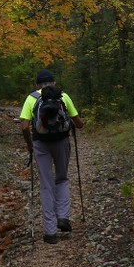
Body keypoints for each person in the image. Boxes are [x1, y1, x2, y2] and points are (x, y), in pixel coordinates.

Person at [20, 69, 83, 244]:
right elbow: (79, 124)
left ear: (37, 85)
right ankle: (63, 217)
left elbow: (24, 126)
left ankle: (49, 232)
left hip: (40, 143)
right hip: (61, 142)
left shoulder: (31, 98)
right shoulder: (63, 96)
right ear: (54, 83)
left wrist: (30, 145)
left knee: (46, 185)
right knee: (61, 178)